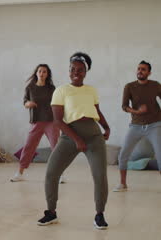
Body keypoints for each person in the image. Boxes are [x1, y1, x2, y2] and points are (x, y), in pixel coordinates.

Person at [37, 52, 111, 230]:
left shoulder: (91, 90)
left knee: (100, 176)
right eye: (72, 69)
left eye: (80, 70)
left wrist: (106, 127)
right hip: (69, 136)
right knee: (51, 173)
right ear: (69, 71)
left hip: (93, 136)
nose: (76, 72)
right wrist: (76, 139)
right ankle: (51, 212)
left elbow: (97, 111)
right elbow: (58, 120)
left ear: (85, 72)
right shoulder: (61, 90)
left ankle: (99, 215)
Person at [113, 60, 161, 192]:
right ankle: (123, 184)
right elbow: (124, 106)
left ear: (149, 73)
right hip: (135, 125)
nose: (140, 71)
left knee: (160, 155)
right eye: (139, 69)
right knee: (123, 154)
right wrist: (137, 112)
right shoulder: (129, 86)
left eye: (143, 69)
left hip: (154, 125)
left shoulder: (156, 85)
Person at [10, 64, 61, 182]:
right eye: (40, 71)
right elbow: (25, 102)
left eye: (44, 72)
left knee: (57, 147)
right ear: (36, 73)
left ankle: (60, 173)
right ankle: (19, 173)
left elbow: (57, 103)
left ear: (47, 74)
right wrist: (28, 104)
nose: (42, 74)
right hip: (36, 121)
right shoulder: (30, 88)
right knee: (29, 146)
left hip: (51, 121)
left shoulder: (52, 88)